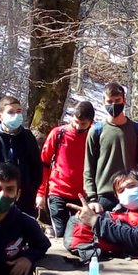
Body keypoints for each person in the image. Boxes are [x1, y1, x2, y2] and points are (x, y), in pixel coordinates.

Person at [0, 94, 43, 218]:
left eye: (18, 111)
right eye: (10, 112)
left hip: (24, 204)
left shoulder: (28, 137)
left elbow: (37, 170)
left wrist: (29, 193)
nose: (15, 115)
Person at [67, 170, 138, 260]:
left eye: (131, 186)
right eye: (121, 190)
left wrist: (95, 221)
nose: (127, 192)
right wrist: (93, 209)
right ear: (117, 197)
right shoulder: (122, 207)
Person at [84, 82, 138, 212]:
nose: (113, 105)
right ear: (103, 102)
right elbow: (88, 168)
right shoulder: (96, 131)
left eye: (117, 100)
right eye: (109, 101)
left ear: (124, 100)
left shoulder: (137, 130)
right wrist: (92, 198)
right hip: (104, 197)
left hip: (130, 194)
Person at [36, 100, 94, 237]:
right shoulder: (58, 134)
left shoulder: (93, 137)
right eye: (75, 121)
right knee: (61, 234)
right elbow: (43, 163)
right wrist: (40, 193)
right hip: (57, 192)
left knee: (78, 235)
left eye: (83, 124)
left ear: (91, 122)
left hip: (82, 195)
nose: (78, 126)